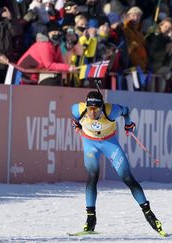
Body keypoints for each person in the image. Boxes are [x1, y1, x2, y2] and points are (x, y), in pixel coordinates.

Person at [70, 90, 166, 236]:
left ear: (102, 107)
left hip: (109, 143)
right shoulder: (78, 109)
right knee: (93, 175)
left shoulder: (111, 110)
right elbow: (75, 118)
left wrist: (128, 124)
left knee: (127, 177)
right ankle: (91, 219)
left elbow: (126, 110)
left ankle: (149, 215)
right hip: (90, 144)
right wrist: (77, 125)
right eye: (90, 109)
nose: (92, 112)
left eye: (96, 109)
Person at [17, 21, 77, 85]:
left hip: (38, 72)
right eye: (54, 32)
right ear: (48, 33)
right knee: (51, 80)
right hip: (26, 74)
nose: (56, 34)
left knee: (57, 78)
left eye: (58, 32)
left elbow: (59, 62)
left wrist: (69, 67)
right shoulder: (44, 44)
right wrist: (68, 67)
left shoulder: (56, 46)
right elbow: (49, 65)